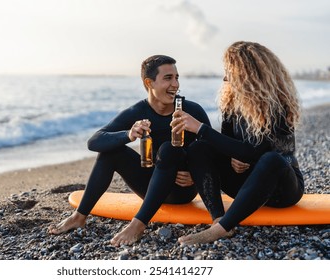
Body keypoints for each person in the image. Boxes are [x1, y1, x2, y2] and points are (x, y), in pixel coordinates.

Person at [48, 55, 211, 246]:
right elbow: (94, 141)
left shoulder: (191, 110)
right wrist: (128, 134)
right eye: (168, 78)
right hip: (150, 188)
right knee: (110, 152)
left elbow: (212, 149)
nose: (175, 84)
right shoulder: (137, 112)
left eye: (177, 77)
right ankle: (79, 216)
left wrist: (196, 173)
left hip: (182, 190)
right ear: (149, 82)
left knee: (168, 149)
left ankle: (138, 225)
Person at [169, 41, 304, 245]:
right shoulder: (231, 103)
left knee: (271, 159)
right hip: (246, 186)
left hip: (282, 190)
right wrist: (232, 157)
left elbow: (256, 151)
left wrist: (200, 128)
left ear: (247, 73)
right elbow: (228, 143)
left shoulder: (278, 105)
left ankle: (222, 229)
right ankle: (218, 219)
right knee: (200, 147)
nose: (225, 77)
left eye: (229, 71)